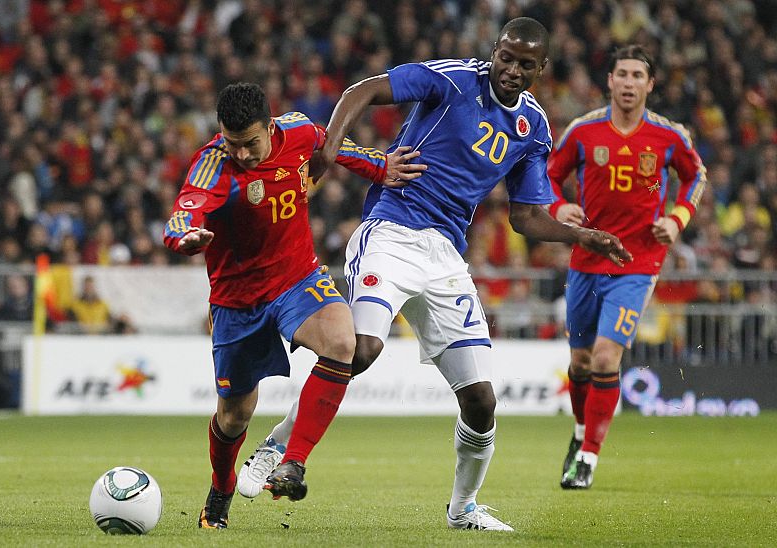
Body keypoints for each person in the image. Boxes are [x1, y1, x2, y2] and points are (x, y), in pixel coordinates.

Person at [238, 17, 631, 531]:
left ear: (542, 68)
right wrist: (330, 148)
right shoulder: (452, 79)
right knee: (363, 348)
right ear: (495, 51)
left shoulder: (533, 128)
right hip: (392, 232)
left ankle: (463, 509)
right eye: (505, 57)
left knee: (481, 399)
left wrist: (581, 235)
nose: (511, 70)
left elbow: (525, 216)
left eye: (524, 64)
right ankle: (281, 447)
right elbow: (364, 90)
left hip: (445, 256)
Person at [162, 82, 425, 529]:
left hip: (297, 279)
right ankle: (221, 488)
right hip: (237, 302)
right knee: (233, 415)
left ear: (269, 126)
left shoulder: (299, 132)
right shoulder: (212, 164)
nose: (241, 154)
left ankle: (292, 461)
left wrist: (381, 166)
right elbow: (185, 209)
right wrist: (184, 236)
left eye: (250, 143)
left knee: (344, 342)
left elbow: (333, 146)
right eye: (232, 143)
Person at [546, 45, 706, 489]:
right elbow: (548, 174)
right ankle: (579, 436)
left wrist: (677, 219)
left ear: (650, 84)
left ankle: (589, 460)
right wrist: (559, 208)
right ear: (611, 81)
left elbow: (696, 175)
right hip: (586, 257)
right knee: (579, 363)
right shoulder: (583, 132)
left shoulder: (668, 137)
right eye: (623, 74)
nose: (630, 82)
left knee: (604, 356)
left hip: (637, 261)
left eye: (638, 75)